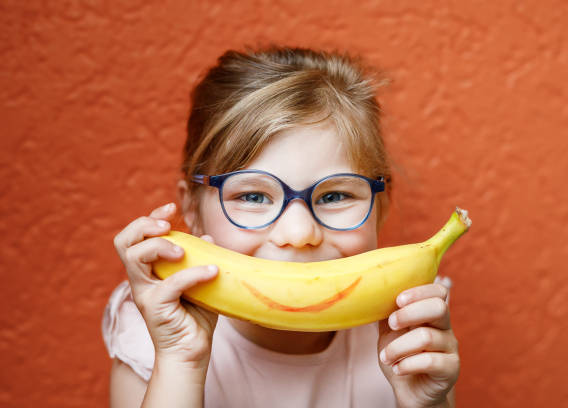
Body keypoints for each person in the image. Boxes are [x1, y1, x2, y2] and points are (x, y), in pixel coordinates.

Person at [103, 46, 459, 408]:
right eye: (254, 197)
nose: (299, 233)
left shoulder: (409, 335)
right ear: (191, 208)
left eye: (335, 196)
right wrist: (180, 363)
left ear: (381, 206)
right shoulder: (156, 342)